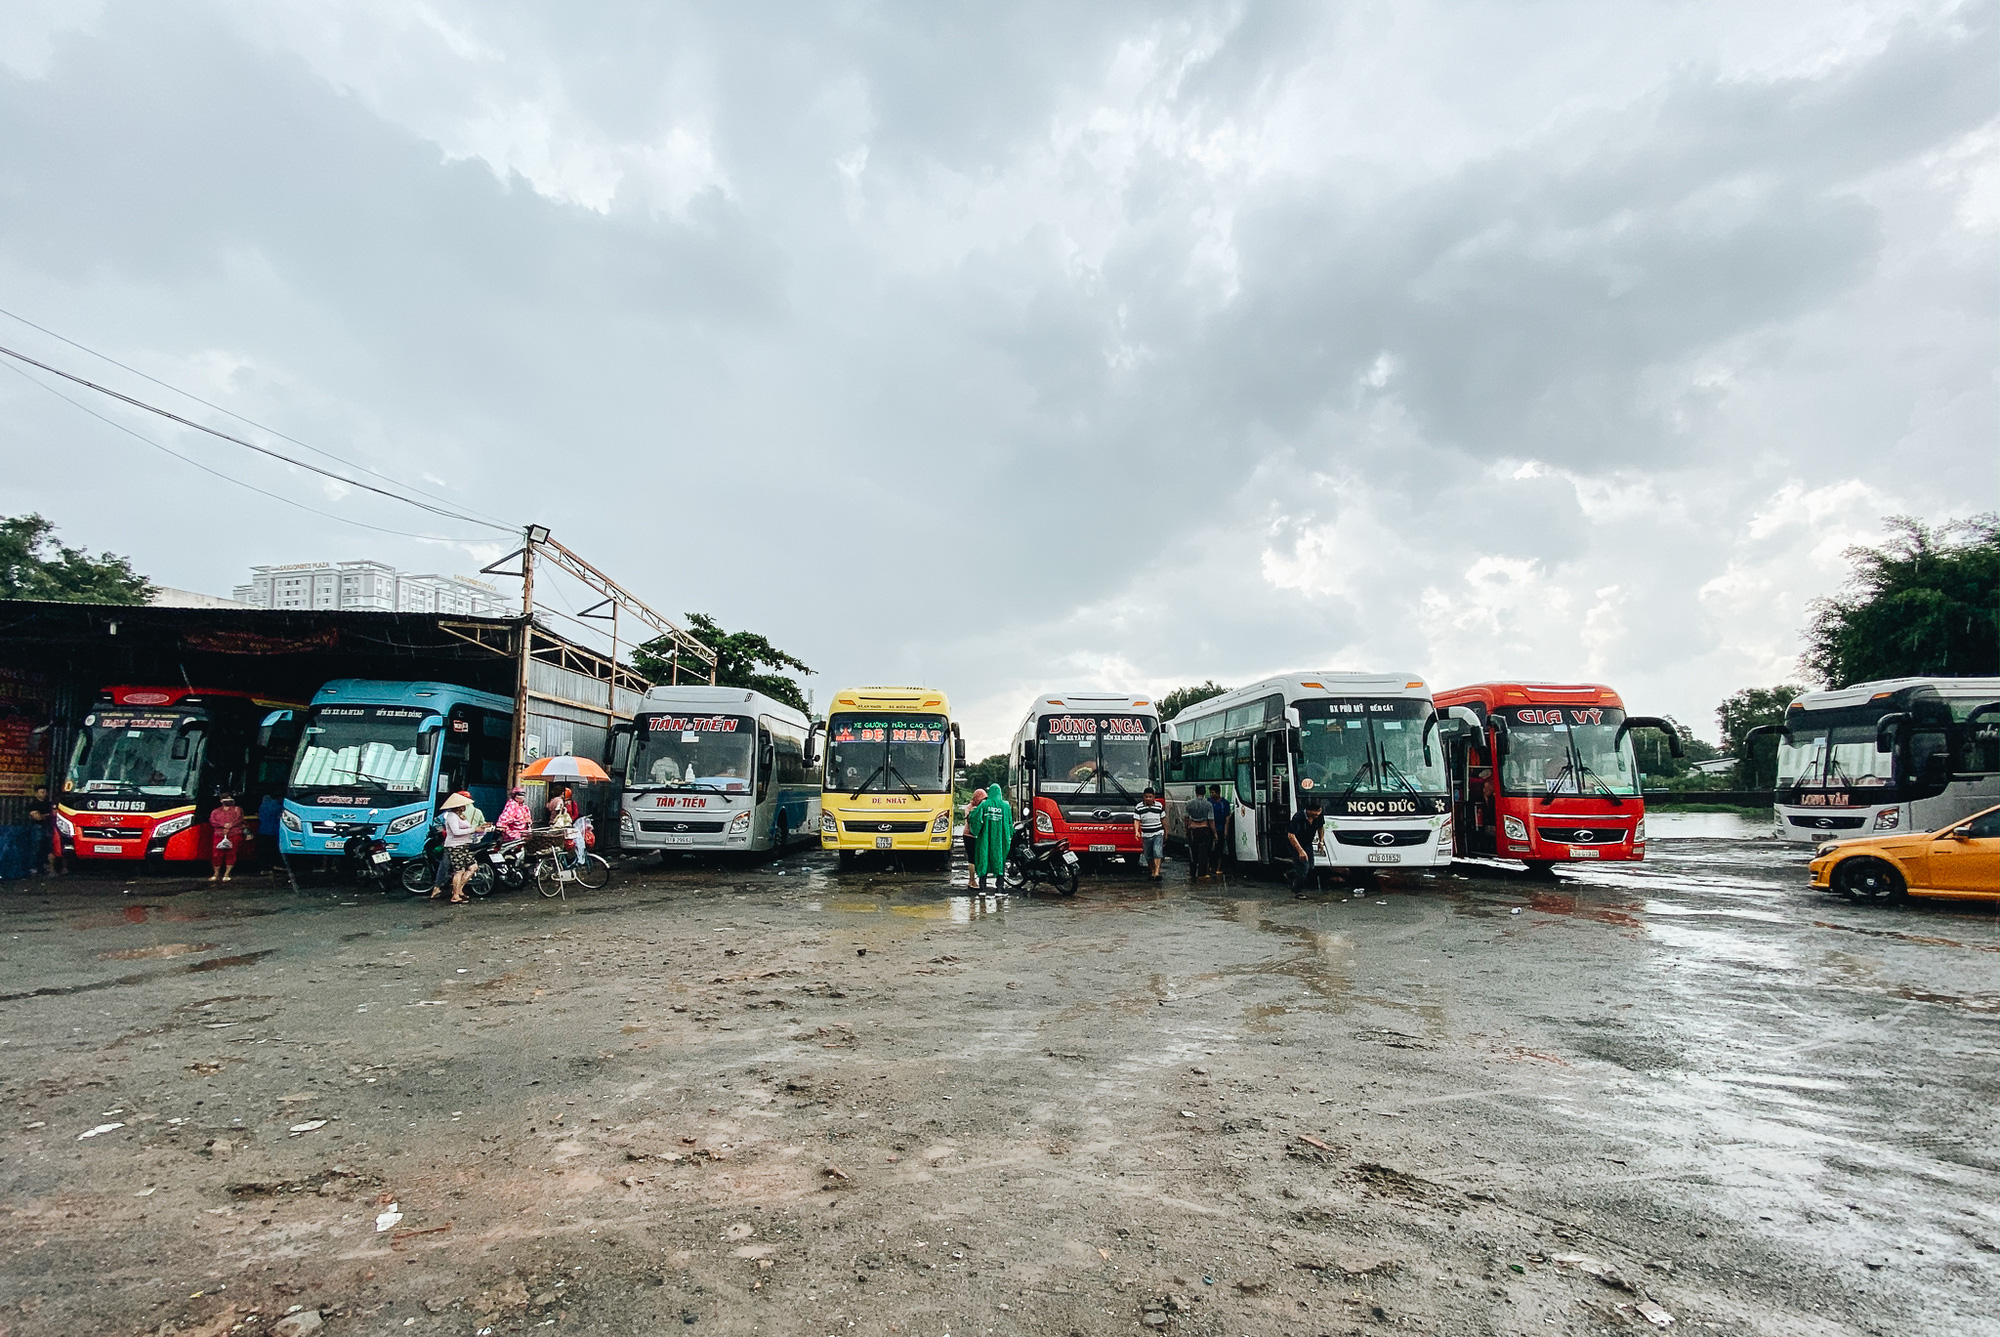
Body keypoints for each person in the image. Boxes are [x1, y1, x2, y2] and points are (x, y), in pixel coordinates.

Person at [968, 784, 1013, 891]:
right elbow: (1009, 823)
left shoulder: (984, 805)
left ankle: (983, 888)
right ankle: (1000, 888)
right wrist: (1010, 834)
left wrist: (975, 831)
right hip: (1000, 840)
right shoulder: (1005, 806)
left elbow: (974, 818)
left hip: (985, 839)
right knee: (999, 860)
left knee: (984, 858)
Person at [436, 792, 479, 904]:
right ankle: (455, 895)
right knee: (459, 871)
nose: (465, 807)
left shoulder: (461, 816)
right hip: (455, 846)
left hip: (464, 845)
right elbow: (456, 831)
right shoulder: (451, 816)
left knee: (473, 867)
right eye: (463, 805)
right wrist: (473, 830)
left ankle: (459, 889)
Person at [1287, 794, 1326, 893]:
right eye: (1315, 811)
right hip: (1295, 844)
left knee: (1310, 866)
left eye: (1319, 811)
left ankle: (1290, 874)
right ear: (1308, 810)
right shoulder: (1298, 817)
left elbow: (1321, 827)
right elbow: (1291, 835)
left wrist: (1321, 841)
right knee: (1303, 868)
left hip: (1308, 844)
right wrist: (1300, 851)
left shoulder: (1319, 816)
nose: (1317, 813)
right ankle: (1297, 891)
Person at [207, 792, 246, 883]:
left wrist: (230, 825)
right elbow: (212, 821)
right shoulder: (215, 811)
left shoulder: (237, 809)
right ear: (221, 801)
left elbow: (239, 819)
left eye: (230, 799)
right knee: (216, 855)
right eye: (226, 799)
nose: (228, 800)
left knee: (231, 854)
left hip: (234, 833)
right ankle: (216, 874)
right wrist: (223, 825)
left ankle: (227, 874)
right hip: (219, 834)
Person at [1132, 786, 1167, 881]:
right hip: (1146, 834)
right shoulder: (1139, 807)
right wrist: (1136, 832)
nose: (1148, 799)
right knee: (1148, 855)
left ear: (1153, 797)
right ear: (1143, 797)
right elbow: (1137, 820)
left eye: (1150, 797)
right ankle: (1153, 870)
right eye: (1146, 797)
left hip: (1158, 833)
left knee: (1157, 851)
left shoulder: (1159, 806)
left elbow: (1163, 820)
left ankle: (1156, 873)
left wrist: (1166, 832)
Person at [1182, 788, 1213, 880]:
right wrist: (1214, 833)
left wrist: (1186, 828)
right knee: (1203, 853)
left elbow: (1186, 818)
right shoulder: (1208, 805)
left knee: (1193, 852)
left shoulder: (1189, 803)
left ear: (1196, 792)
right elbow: (1211, 820)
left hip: (1193, 830)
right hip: (1204, 830)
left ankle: (1192, 872)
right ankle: (1201, 874)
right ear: (1204, 792)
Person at [26, 786, 55, 877]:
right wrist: (49, 815)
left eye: (44, 791)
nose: (43, 793)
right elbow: (37, 817)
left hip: (48, 827)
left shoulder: (49, 803)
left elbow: (55, 813)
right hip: (37, 827)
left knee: (47, 847)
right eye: (41, 791)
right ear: (36, 793)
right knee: (36, 847)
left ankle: (43, 867)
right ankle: (33, 868)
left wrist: (45, 815)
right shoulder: (33, 804)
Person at [961, 788, 986, 888]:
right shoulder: (970, 808)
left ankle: (975, 880)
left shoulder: (975, 808)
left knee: (976, 858)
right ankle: (971, 881)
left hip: (975, 836)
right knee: (972, 859)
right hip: (969, 836)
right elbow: (971, 821)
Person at [1207, 784, 1231, 875]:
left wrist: (1226, 830)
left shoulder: (1224, 803)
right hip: (1209, 828)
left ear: (1218, 792)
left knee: (1219, 849)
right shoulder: (1209, 802)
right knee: (1208, 848)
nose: (1211, 794)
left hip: (1220, 828)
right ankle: (1208, 866)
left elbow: (1227, 818)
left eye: (1213, 792)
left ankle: (1218, 867)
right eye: (1210, 793)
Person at [256, 792, 283, 873]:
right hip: (274, 831)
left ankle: (264, 868)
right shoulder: (278, 806)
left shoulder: (262, 806)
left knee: (263, 851)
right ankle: (274, 866)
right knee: (273, 850)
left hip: (262, 830)